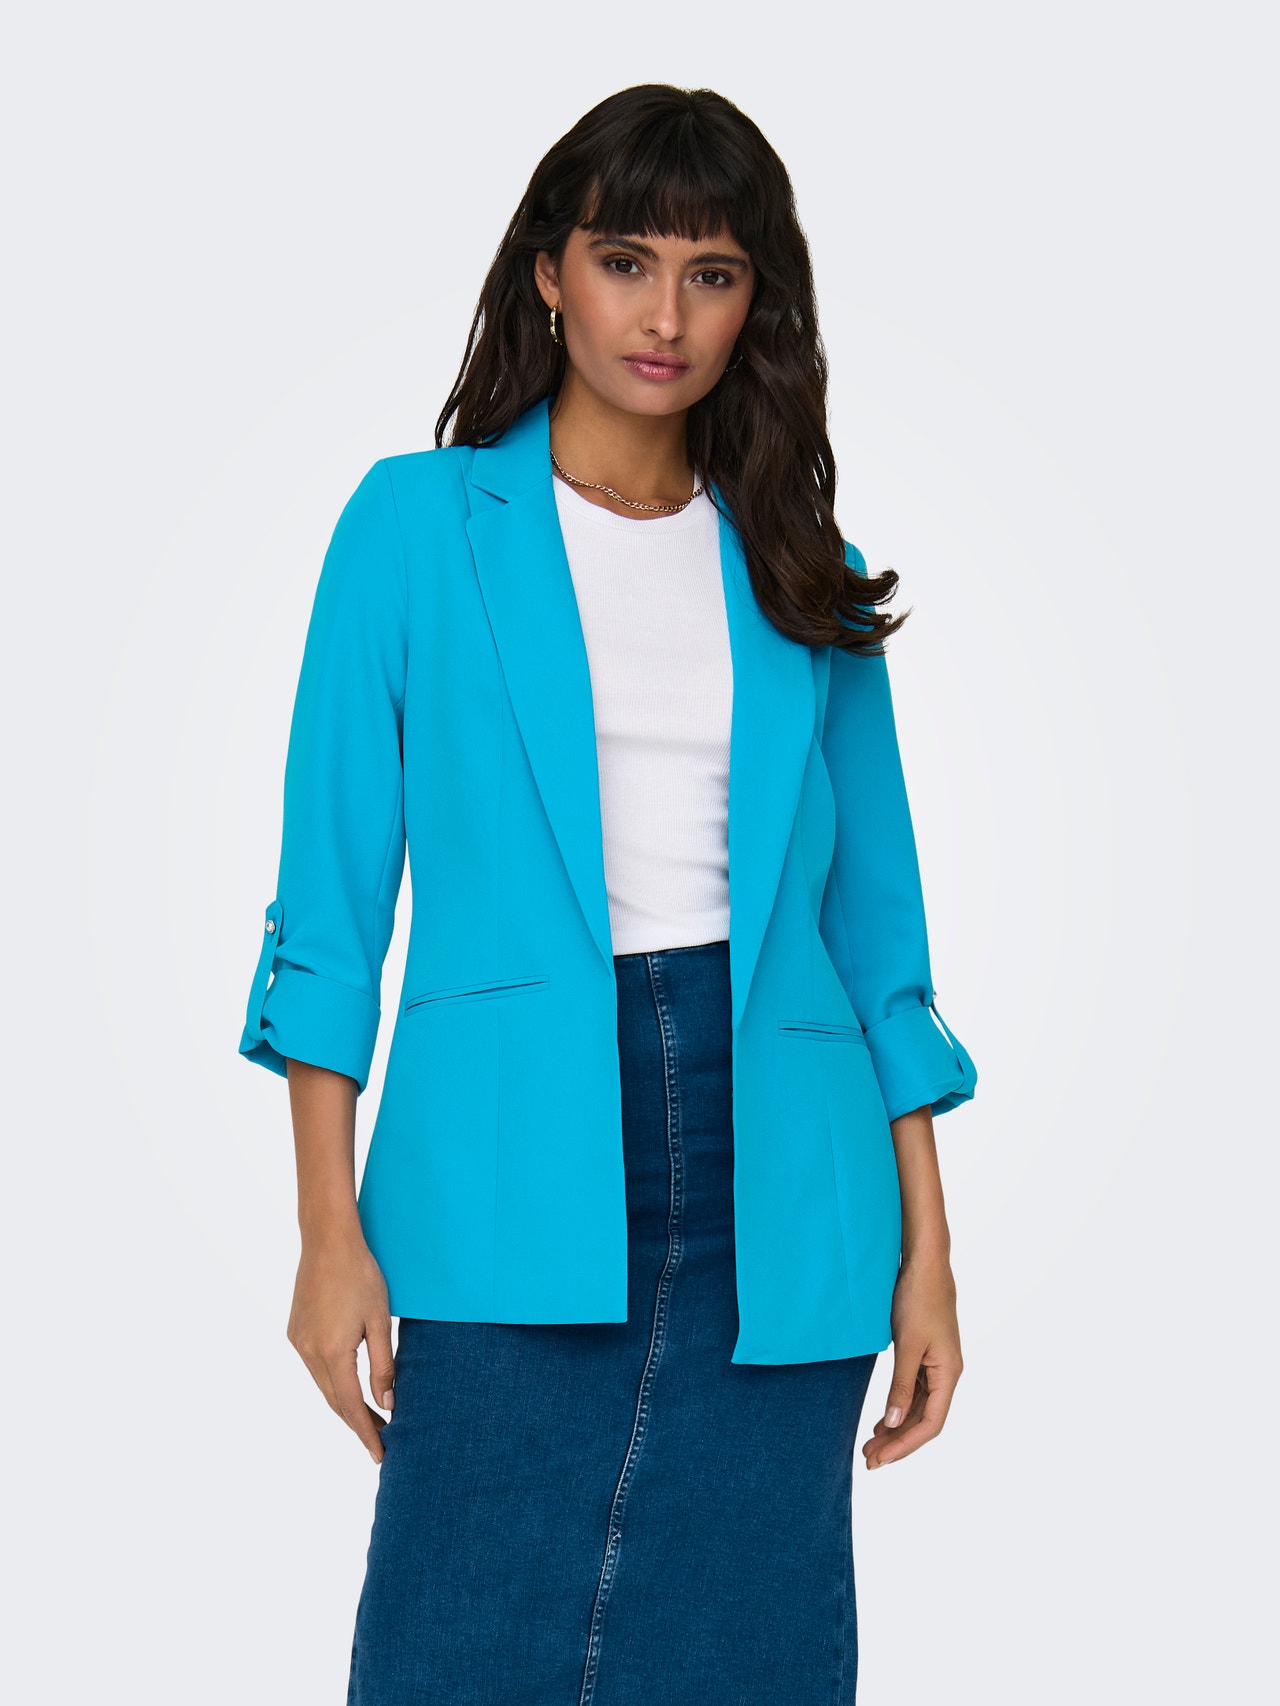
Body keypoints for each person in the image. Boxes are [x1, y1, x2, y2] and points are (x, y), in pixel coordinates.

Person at [238, 81, 978, 1706]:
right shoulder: (414, 526)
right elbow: (331, 906)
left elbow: (878, 936)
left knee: (746, 1654)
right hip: (503, 1160)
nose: (665, 315)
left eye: (713, 274)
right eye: (626, 261)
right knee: (454, 1644)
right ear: (549, 273)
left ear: (755, 303)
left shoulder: (799, 560)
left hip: (786, 1181)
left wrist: (928, 1249)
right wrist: (325, 1229)